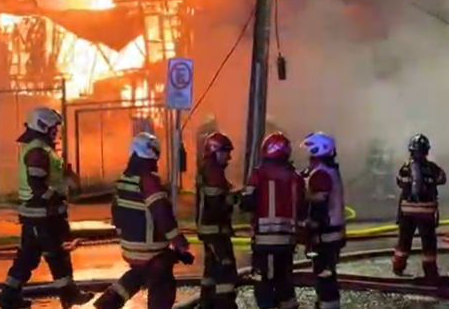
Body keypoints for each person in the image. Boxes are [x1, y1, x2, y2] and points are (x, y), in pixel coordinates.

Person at [0, 108, 92, 309]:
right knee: (57, 256)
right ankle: (70, 295)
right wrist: (54, 200)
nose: (56, 131)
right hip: (43, 216)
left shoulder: (40, 147)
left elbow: (47, 177)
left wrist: (65, 176)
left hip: (36, 216)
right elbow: (37, 183)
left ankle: (9, 299)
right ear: (42, 126)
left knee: (27, 259)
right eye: (53, 128)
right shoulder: (38, 151)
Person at [93, 133, 194, 309]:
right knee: (162, 278)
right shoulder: (148, 181)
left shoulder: (124, 180)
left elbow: (116, 211)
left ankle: (107, 303)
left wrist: (123, 235)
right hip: (150, 249)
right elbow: (162, 214)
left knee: (139, 274)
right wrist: (178, 241)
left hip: (131, 247)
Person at [241, 132, 306, 309]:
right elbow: (303, 208)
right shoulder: (296, 178)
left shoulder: (258, 175)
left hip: (265, 241)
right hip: (288, 241)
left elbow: (246, 203)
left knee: (265, 282)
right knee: (284, 279)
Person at [300, 132, 347, 309]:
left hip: (326, 234)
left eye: (310, 150)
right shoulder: (328, 170)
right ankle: (327, 303)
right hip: (332, 233)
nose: (308, 154)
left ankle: (328, 305)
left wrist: (310, 226)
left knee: (324, 275)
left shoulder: (321, 173)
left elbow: (318, 205)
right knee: (326, 273)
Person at [393, 133, 447, 280]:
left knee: (404, 241)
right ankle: (430, 272)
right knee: (428, 243)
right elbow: (443, 178)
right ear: (426, 151)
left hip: (406, 213)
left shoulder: (404, 168)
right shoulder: (432, 168)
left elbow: (399, 181)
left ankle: (398, 267)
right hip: (426, 213)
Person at [196, 131, 239, 309]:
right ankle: (225, 304)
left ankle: (207, 303)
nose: (229, 157)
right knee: (226, 266)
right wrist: (235, 197)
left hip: (210, 230)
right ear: (215, 150)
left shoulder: (210, 169)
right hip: (215, 230)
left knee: (211, 269)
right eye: (226, 152)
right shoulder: (213, 171)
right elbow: (217, 203)